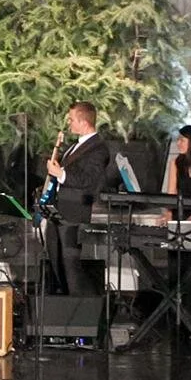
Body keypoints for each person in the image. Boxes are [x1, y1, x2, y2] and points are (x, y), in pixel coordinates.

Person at [40, 100, 116, 298]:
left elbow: (87, 179)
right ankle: (61, 299)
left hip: (74, 212)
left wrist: (60, 173)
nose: (69, 123)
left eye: (72, 119)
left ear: (84, 122)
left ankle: (77, 306)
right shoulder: (75, 146)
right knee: (55, 259)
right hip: (59, 210)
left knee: (70, 264)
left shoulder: (98, 149)